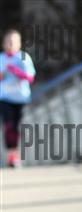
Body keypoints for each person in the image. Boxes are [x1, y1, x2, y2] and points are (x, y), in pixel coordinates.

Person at [0, 29, 36, 168]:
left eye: (13, 41)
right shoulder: (1, 58)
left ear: (19, 44)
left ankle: (16, 154)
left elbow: (30, 77)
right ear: (3, 43)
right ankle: (11, 155)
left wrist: (16, 71)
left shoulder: (23, 57)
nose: (10, 44)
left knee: (18, 127)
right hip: (5, 98)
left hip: (21, 98)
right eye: (7, 41)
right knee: (8, 125)